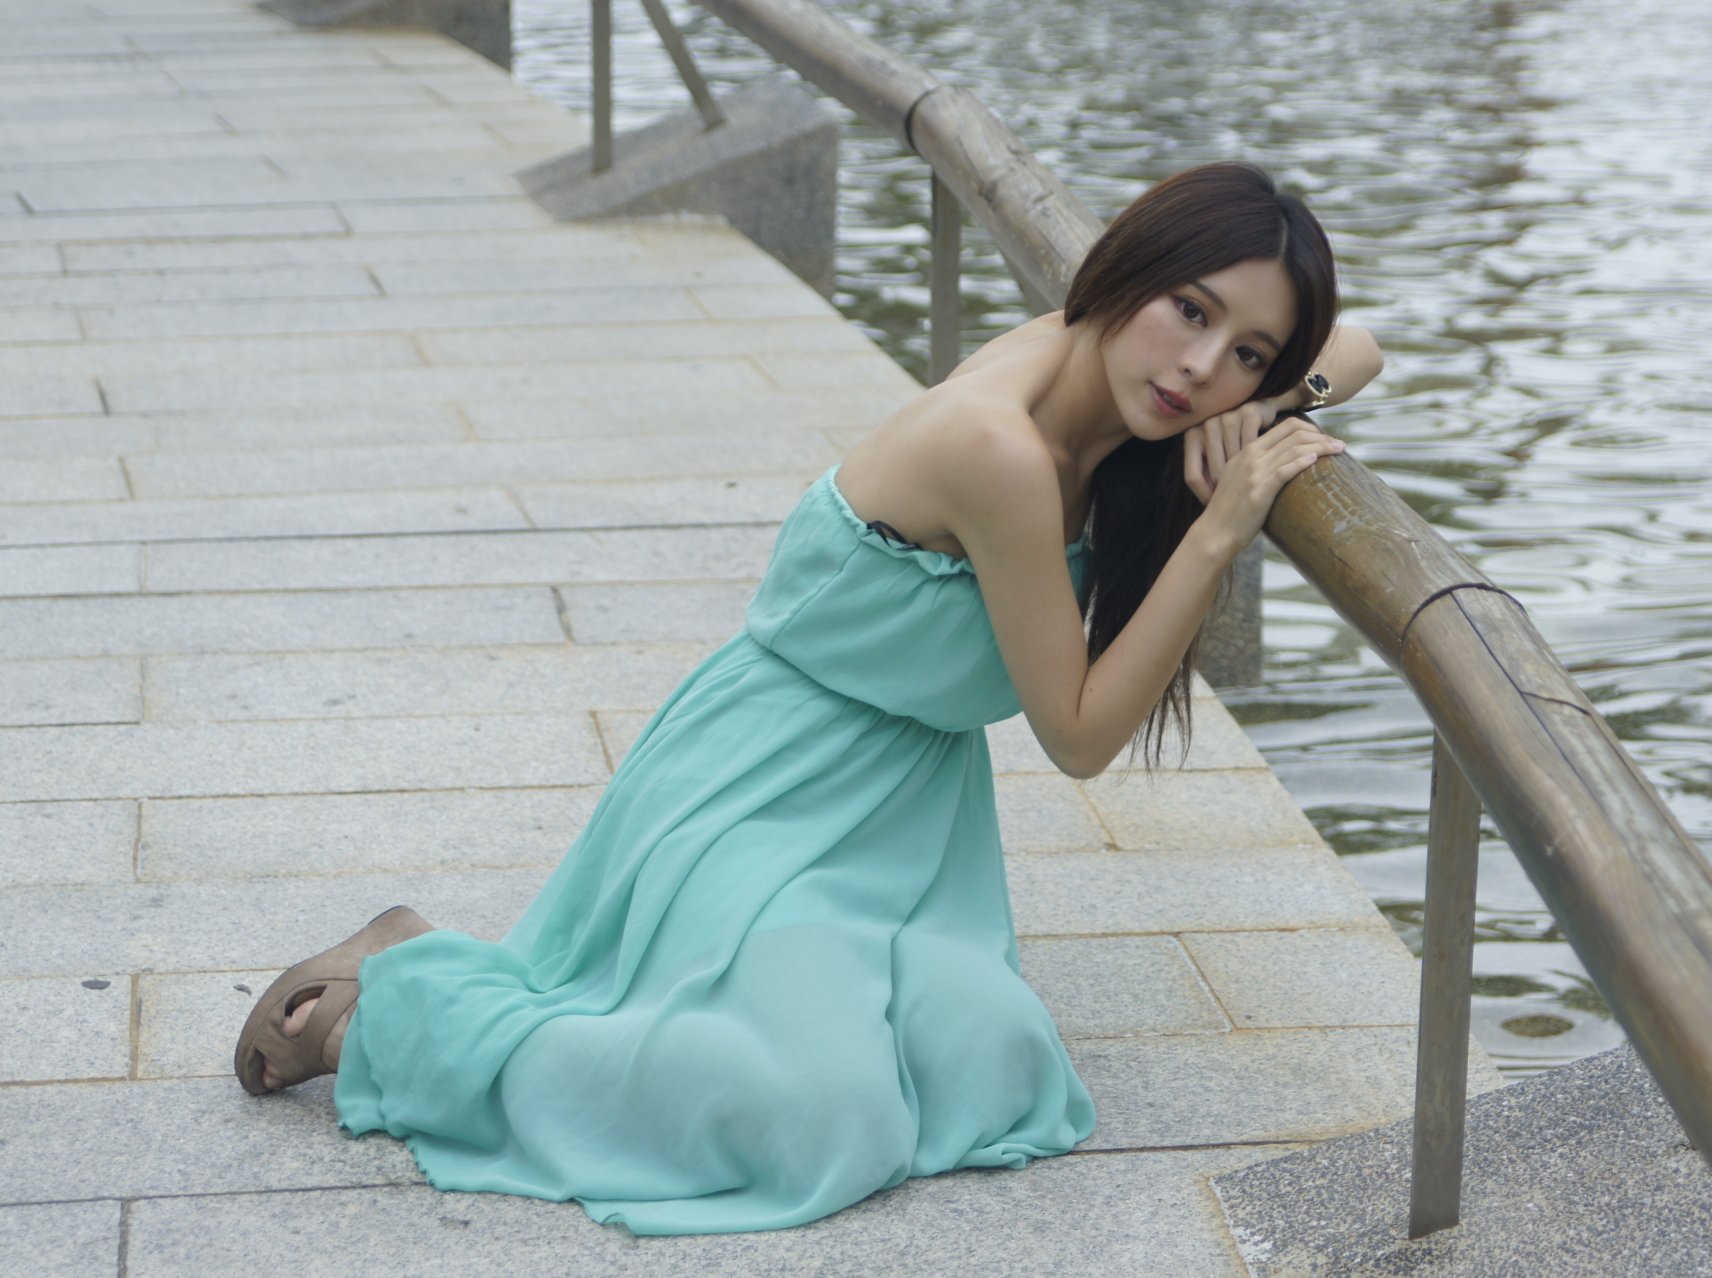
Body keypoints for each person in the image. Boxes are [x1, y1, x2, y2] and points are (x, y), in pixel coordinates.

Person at [230, 160, 1381, 1235]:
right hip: (766, 782)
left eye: (1247, 355)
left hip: (902, 811)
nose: (1199, 369)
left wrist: (1284, 399)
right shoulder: (1001, 449)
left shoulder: (1114, 391)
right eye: (1189, 309)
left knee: (997, 1067)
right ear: (1122, 274)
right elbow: (1078, 739)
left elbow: (1364, 343)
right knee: (817, 1120)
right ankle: (390, 998)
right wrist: (1222, 522)